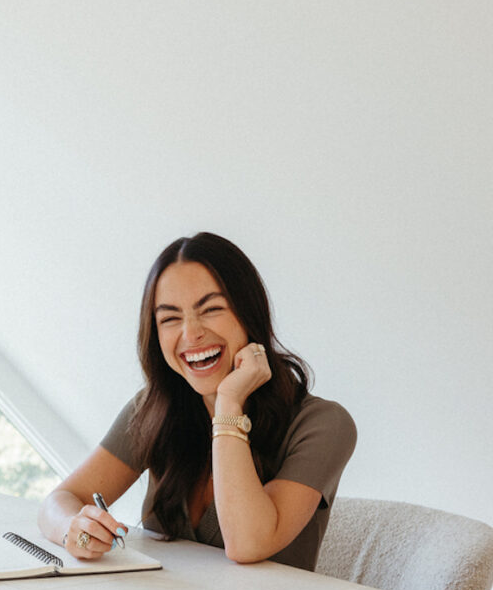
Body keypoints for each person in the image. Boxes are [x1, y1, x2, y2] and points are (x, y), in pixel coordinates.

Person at [39, 231, 356, 572]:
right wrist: (74, 528)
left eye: (211, 309)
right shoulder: (153, 409)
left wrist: (228, 403)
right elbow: (57, 502)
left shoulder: (323, 424)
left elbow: (248, 544)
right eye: (170, 318)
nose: (191, 334)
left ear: (249, 314)